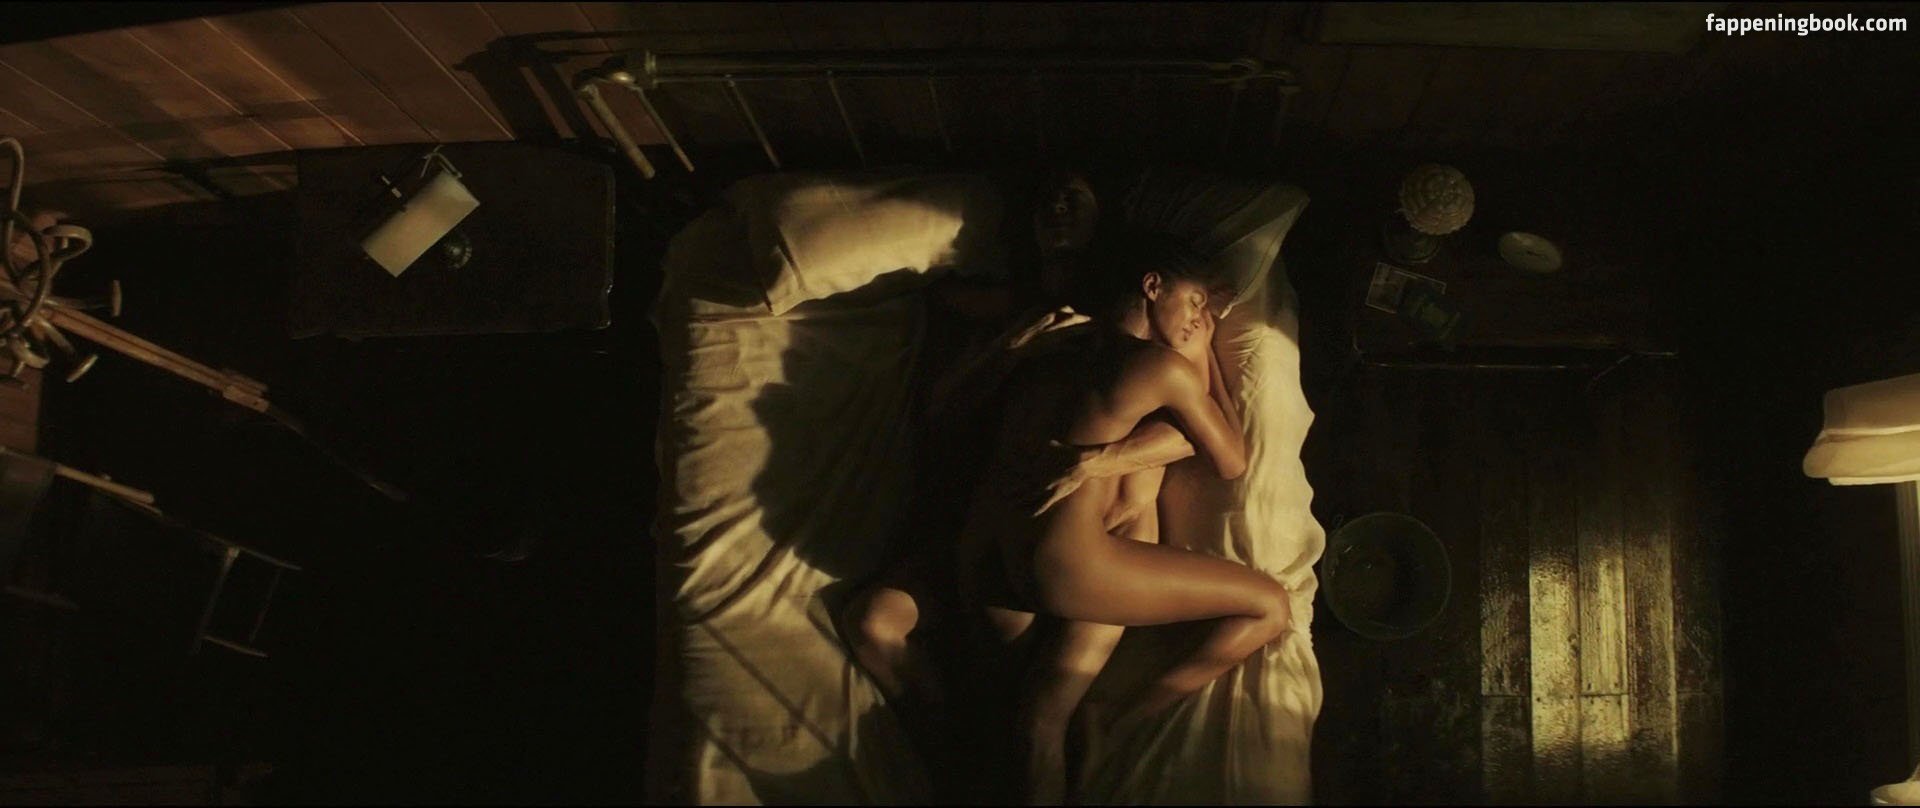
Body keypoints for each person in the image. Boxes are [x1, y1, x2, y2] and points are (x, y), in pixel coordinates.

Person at [956, 231, 1294, 805]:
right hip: (1063, 568)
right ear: (1152, 285)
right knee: (1271, 607)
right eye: (1194, 302)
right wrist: (1204, 351)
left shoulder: (1055, 344)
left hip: (985, 563)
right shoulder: (1160, 368)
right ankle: (1122, 719)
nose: (1200, 317)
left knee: (1039, 720)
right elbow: (1232, 459)